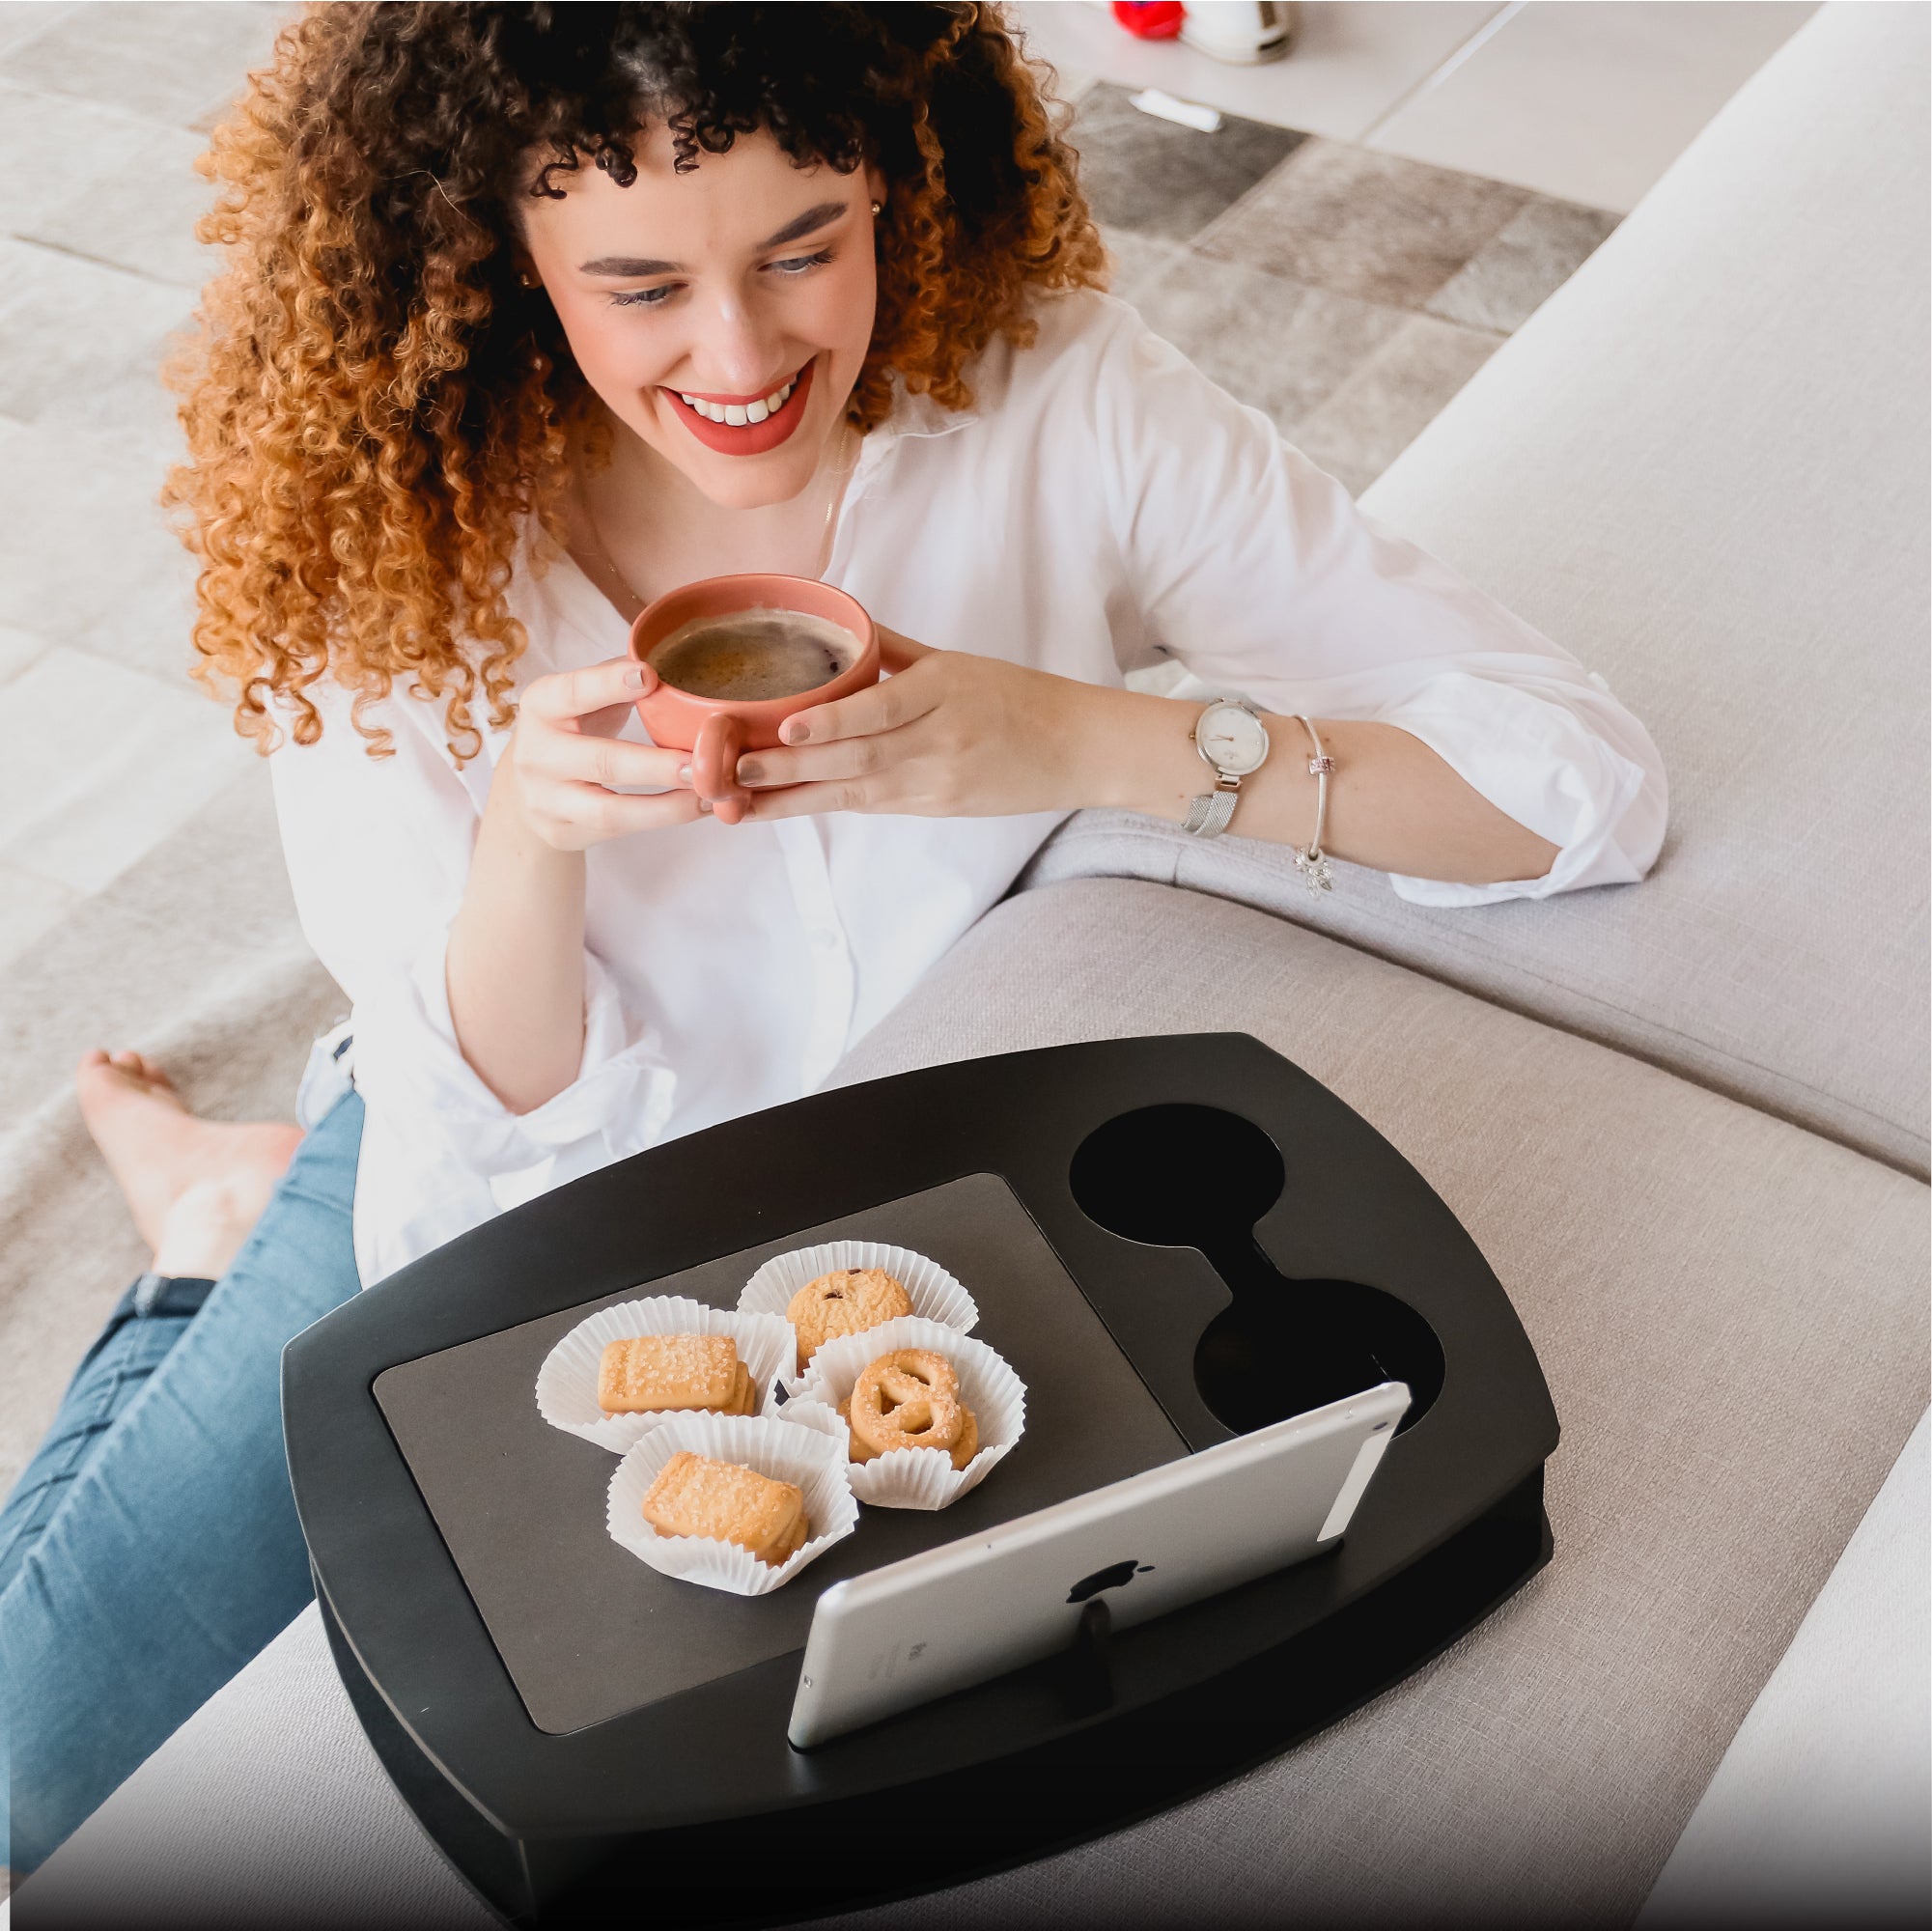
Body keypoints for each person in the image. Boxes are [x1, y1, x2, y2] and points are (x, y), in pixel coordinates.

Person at [0, 0, 1666, 1877]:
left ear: (897, 168)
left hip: (901, 1197)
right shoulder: (396, 535)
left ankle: (233, 1203)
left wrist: (1083, 738)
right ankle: (214, 1236)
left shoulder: (1051, 401)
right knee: (41, 1760)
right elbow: (485, 1124)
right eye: (638, 287)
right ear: (500, 253)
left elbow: (1579, 788)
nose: (741, 355)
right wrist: (534, 842)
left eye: (808, 247)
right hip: (485, 1142)